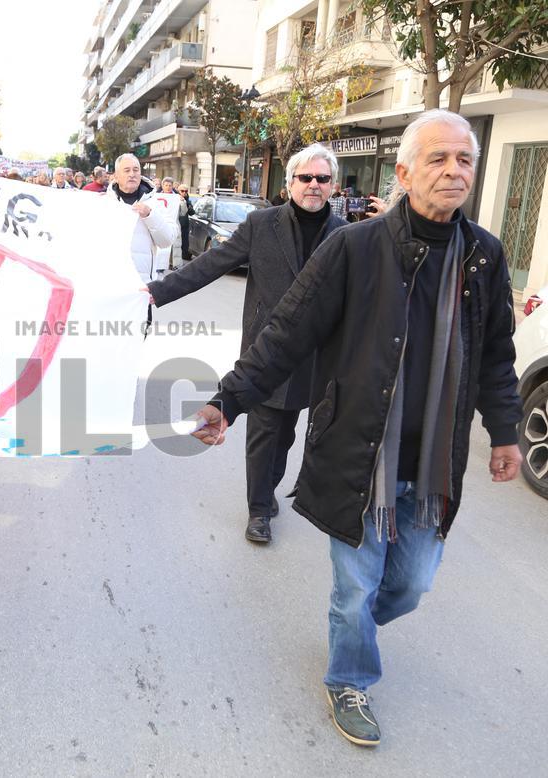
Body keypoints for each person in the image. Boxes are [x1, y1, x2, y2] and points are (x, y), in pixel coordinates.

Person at [191, 110, 523, 747]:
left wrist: (504, 431)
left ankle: (353, 626)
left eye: (465, 160)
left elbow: (497, 355)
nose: (455, 171)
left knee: (411, 586)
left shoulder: (483, 255)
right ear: (402, 172)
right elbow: (285, 332)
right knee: (355, 587)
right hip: (360, 454)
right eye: (439, 159)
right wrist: (229, 401)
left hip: (433, 463)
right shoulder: (354, 247)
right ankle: (349, 677)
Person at [151, 143, 347, 542]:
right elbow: (210, 265)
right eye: (305, 177)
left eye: (322, 179)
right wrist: (156, 292)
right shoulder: (262, 225)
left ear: (333, 185)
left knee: (286, 433)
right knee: (264, 430)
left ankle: (268, 490)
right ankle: (258, 509)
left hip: (311, 357)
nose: (313, 185)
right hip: (265, 351)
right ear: (289, 183)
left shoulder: (346, 234)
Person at [107, 152, 175, 285]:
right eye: (126, 170)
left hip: (142, 286)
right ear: (116, 176)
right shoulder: (105, 203)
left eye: (135, 170)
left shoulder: (157, 203)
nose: (132, 174)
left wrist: (150, 216)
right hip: (111, 284)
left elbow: (167, 241)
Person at [177, 184, 194, 264]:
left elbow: (192, 213)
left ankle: (181, 261)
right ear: (178, 191)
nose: (184, 193)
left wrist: (187, 204)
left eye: (186, 191)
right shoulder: (174, 199)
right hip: (175, 225)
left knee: (184, 245)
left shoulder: (188, 200)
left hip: (184, 226)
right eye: (182, 191)